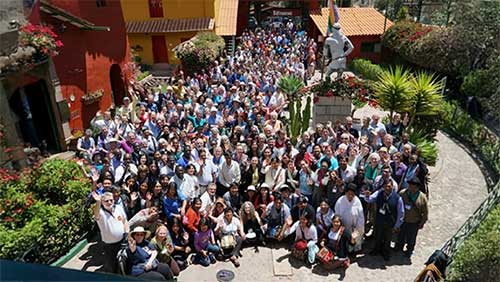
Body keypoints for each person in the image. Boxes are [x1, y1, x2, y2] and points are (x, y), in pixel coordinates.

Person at [365, 179, 405, 261]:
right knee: (377, 236)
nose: (387, 188)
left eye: (389, 186)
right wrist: (367, 196)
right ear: (383, 187)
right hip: (379, 220)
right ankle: (376, 250)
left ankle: (386, 252)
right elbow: (369, 199)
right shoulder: (379, 193)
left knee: (387, 238)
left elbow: (401, 213)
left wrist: (397, 225)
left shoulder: (398, 198)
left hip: (390, 222)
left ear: (392, 187)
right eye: (385, 186)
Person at [91, 191, 129, 274]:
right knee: (111, 266)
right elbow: (96, 214)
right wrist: (98, 202)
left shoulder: (118, 208)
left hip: (122, 242)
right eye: (106, 201)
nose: (109, 202)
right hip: (109, 245)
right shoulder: (101, 212)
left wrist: (127, 233)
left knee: (124, 263)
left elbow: (125, 220)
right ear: (102, 202)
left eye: (111, 200)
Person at [396, 177, 428, 257]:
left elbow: (425, 212)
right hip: (403, 220)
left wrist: (422, 223)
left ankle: (409, 250)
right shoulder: (403, 193)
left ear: (417, 187)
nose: (411, 188)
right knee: (401, 234)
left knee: (411, 237)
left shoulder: (422, 197)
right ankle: (399, 246)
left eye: (413, 186)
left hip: (414, 222)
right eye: (410, 185)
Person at [334, 184, 365, 253]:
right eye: (349, 194)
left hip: (355, 227)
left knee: (356, 240)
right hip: (344, 227)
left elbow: (360, 216)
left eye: (352, 194)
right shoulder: (340, 201)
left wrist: (358, 229)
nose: (350, 196)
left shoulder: (357, 201)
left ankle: (356, 250)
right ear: (345, 193)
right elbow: (337, 215)